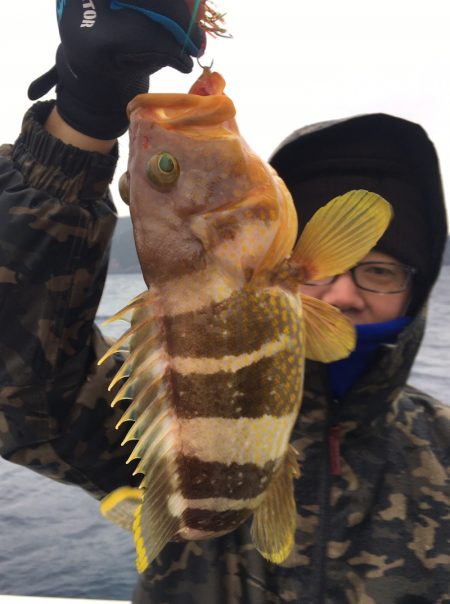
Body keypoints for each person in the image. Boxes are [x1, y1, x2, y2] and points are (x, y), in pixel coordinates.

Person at [0, 3, 449, 603]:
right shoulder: (147, 426)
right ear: (302, 252)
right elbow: (19, 385)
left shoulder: (440, 452)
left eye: (379, 270)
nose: (343, 294)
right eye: (153, 176)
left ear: (417, 290)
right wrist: (80, 122)